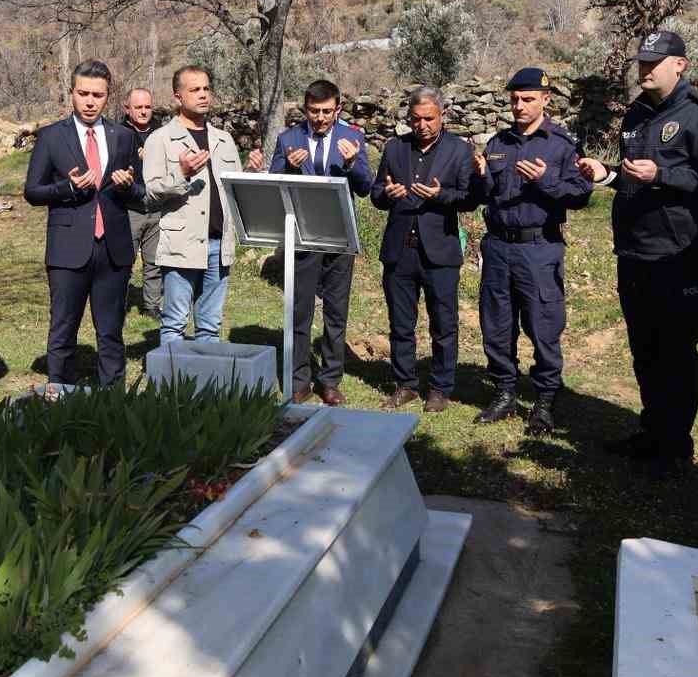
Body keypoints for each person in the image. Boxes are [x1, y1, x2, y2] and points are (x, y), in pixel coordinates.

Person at [577, 30, 698, 478]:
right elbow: (634, 177)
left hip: (677, 254)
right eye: (641, 63)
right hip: (634, 252)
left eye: (654, 62)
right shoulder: (636, 113)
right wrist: (606, 173)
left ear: (680, 64)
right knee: (644, 349)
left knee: (676, 353)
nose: (644, 70)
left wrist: (663, 175)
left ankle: (675, 446)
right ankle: (651, 431)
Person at [470, 68, 592, 435]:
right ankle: (505, 391)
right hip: (497, 247)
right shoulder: (497, 144)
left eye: (527, 99)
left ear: (545, 99)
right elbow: (486, 194)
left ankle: (544, 399)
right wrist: (479, 177)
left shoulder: (561, 145)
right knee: (496, 323)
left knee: (543, 325)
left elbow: (582, 194)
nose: (519, 106)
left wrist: (546, 181)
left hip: (539, 247)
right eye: (514, 100)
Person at [246, 79, 374, 405]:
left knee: (336, 312)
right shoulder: (288, 139)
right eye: (314, 111)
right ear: (305, 109)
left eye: (327, 111)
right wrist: (288, 166)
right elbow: (274, 183)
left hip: (340, 236)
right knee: (299, 310)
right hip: (302, 236)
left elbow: (365, 187)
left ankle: (330, 381)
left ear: (338, 109)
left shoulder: (353, 138)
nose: (320, 118)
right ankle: (299, 378)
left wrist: (350, 164)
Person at [24, 60, 143, 385]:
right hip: (68, 250)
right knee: (63, 328)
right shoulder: (51, 137)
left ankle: (114, 402)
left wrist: (127, 185)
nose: (90, 101)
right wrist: (67, 188)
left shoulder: (123, 137)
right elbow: (32, 192)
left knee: (111, 332)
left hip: (114, 250)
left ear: (108, 96)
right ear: (72, 94)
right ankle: (60, 396)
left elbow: (140, 194)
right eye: (83, 93)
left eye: (98, 95)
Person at [372, 86, 476, 413]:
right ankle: (406, 385)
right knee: (401, 323)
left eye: (429, 118)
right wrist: (388, 194)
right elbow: (376, 194)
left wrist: (440, 195)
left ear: (441, 115)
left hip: (440, 250)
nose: (423, 125)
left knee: (444, 324)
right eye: (416, 119)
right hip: (400, 250)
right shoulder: (394, 148)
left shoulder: (459, 150)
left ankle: (440, 388)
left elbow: (470, 198)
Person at [143, 65, 244, 345]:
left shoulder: (224, 140)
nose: (203, 95)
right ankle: (172, 387)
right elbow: (150, 194)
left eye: (206, 88)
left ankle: (205, 387)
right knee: (174, 324)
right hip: (181, 245)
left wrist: (254, 173)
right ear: (178, 97)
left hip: (219, 246)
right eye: (194, 89)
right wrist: (182, 174)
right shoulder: (160, 140)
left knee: (210, 327)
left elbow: (235, 190)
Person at [121, 86, 164, 319]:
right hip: (129, 208)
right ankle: (119, 304)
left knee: (155, 261)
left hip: (157, 207)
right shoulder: (119, 133)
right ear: (127, 109)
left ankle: (152, 305)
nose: (144, 111)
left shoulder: (161, 132)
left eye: (147, 107)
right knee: (124, 261)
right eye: (138, 107)